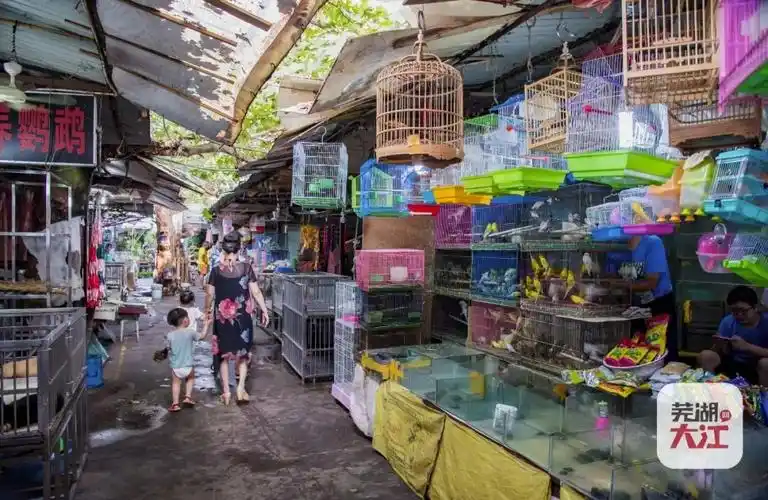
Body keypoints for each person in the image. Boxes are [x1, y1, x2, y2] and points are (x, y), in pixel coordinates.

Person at [204, 231, 269, 405]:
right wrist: (264, 310)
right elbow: (255, 291)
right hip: (243, 317)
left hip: (223, 318)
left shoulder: (216, 271)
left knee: (224, 355)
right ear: (239, 248)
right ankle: (240, 388)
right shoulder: (246, 267)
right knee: (243, 353)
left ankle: (226, 392)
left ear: (223, 249)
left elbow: (209, 294)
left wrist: (207, 311)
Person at [698, 286, 768, 385]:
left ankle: (764, 396)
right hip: (733, 362)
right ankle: (711, 390)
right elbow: (720, 352)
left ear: (755, 307)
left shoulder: (765, 322)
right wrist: (719, 346)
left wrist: (747, 347)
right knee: (706, 355)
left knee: (766, 364)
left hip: (758, 365)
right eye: (735, 311)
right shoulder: (728, 321)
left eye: (743, 311)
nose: (739, 314)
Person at [625, 234, 677, 361]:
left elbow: (652, 282)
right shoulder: (617, 246)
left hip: (659, 304)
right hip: (634, 304)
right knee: (636, 354)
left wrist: (617, 286)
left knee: (661, 352)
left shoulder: (652, 243)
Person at [165, 308, 206, 412]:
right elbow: (202, 336)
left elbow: (168, 347)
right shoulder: (190, 333)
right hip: (188, 365)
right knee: (191, 379)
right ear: (185, 320)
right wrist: (207, 324)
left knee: (176, 383)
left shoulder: (170, 335)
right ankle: (187, 397)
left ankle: (175, 404)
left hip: (176, 367)